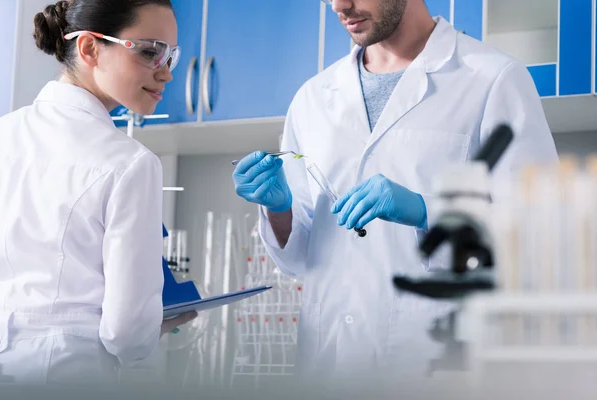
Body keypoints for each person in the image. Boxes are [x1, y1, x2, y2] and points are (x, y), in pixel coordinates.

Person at [233, 0, 558, 384]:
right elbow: (302, 259)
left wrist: (428, 212)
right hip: (327, 368)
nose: (339, 5)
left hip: (435, 370)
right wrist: (279, 210)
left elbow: (545, 238)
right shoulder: (313, 98)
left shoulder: (492, 78)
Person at [0, 0, 195, 385]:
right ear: (89, 48)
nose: (166, 74)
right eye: (150, 52)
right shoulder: (130, 162)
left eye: (171, 57)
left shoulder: (2, 134)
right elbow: (128, 333)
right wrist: (153, 323)